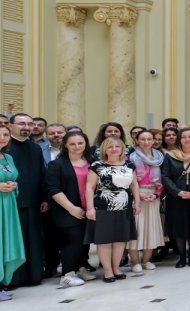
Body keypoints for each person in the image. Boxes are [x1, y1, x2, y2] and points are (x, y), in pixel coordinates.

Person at [87, 136, 138, 282]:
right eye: (110, 147)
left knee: (120, 240)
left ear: (122, 148)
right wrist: (90, 208)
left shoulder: (129, 165)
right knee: (104, 241)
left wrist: (137, 203)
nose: (114, 149)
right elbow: (89, 188)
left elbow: (134, 185)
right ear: (104, 149)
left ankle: (116, 268)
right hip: (103, 207)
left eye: (117, 146)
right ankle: (107, 271)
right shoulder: (97, 165)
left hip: (124, 207)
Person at [47, 129, 93, 286]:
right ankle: (67, 274)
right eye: (72, 144)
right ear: (65, 145)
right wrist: (71, 208)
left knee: (85, 240)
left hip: (88, 209)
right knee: (74, 240)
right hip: (66, 209)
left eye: (80, 143)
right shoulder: (57, 164)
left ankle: (80, 268)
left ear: (85, 144)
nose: (77, 146)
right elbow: (53, 189)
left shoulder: (92, 163)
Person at [5, 113, 46, 287]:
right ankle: (13, 278)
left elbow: (41, 174)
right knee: (14, 240)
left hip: (34, 203)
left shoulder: (35, 148)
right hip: (10, 202)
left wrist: (45, 198)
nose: (27, 127)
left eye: (30, 124)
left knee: (34, 239)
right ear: (10, 125)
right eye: (22, 124)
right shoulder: (5, 148)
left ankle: (33, 275)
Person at [162, 127, 190, 268]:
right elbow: (165, 176)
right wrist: (177, 191)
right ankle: (182, 257)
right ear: (179, 139)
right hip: (176, 197)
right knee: (178, 227)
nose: (187, 139)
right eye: (184, 137)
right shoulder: (170, 155)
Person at [128, 129, 165, 274]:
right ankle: (135, 261)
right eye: (143, 139)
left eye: (150, 139)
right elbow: (128, 181)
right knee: (136, 229)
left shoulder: (160, 157)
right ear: (137, 141)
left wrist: (156, 195)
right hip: (136, 197)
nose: (146, 142)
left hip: (153, 197)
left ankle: (147, 260)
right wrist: (139, 195)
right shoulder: (130, 158)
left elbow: (163, 180)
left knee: (151, 228)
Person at [0, 124, 26, 298]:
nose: (2, 137)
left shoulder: (8, 157)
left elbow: (13, 177)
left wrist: (13, 185)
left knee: (6, 241)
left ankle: (1, 284)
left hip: (8, 206)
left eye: (5, 134)